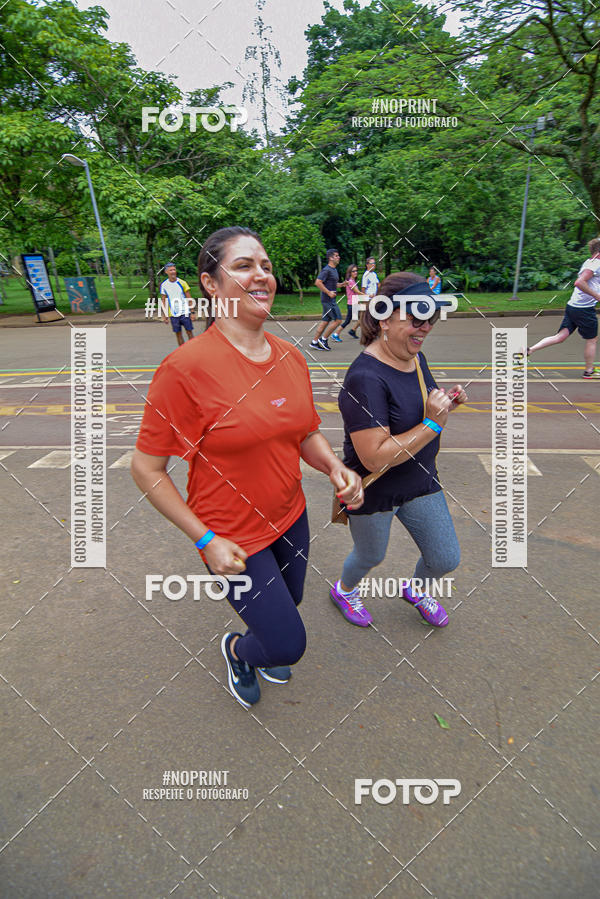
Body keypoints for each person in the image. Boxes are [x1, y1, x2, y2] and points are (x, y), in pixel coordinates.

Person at [131, 227, 363, 708]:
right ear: (210, 284)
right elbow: (146, 469)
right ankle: (239, 652)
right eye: (242, 266)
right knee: (285, 643)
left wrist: (334, 469)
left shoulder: (290, 357)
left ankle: (257, 636)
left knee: (290, 602)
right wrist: (204, 539)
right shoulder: (184, 369)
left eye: (266, 266)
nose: (260, 275)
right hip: (231, 534)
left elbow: (302, 433)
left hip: (289, 516)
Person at [329, 272, 467, 628]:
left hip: (420, 480)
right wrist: (433, 424)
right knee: (370, 555)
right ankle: (344, 590)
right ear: (384, 319)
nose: (425, 328)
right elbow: (374, 456)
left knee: (444, 557)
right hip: (375, 488)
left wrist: (446, 403)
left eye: (431, 320)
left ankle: (416, 590)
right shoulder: (365, 378)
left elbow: (422, 408)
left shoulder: (415, 357)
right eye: (416, 319)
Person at [527, 238, 600, 378]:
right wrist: (597, 296)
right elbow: (579, 282)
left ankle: (529, 350)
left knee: (560, 336)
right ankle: (589, 371)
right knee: (592, 339)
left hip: (573, 306)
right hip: (584, 309)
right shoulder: (595, 264)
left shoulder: (590, 262)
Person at [310, 249, 344, 351]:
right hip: (328, 300)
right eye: (336, 256)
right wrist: (328, 292)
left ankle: (314, 342)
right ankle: (323, 339)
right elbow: (318, 282)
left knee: (325, 321)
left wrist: (341, 284)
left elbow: (332, 284)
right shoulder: (327, 270)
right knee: (338, 320)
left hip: (330, 300)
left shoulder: (334, 270)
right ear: (330, 258)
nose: (339, 257)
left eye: (338, 256)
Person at [160, 263, 194, 345]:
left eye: (174, 270)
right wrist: (165, 315)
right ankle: (182, 352)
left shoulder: (182, 283)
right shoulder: (164, 285)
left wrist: (192, 312)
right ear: (166, 272)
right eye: (170, 270)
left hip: (185, 312)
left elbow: (189, 298)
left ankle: (194, 350)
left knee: (189, 332)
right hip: (173, 314)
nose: (173, 272)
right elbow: (163, 301)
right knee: (178, 334)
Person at [332, 264, 366, 341]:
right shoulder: (351, 281)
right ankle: (336, 334)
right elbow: (357, 292)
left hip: (355, 303)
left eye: (356, 271)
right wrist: (368, 295)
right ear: (350, 272)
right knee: (348, 321)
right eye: (353, 271)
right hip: (352, 304)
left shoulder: (352, 281)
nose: (355, 272)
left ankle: (353, 331)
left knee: (363, 317)